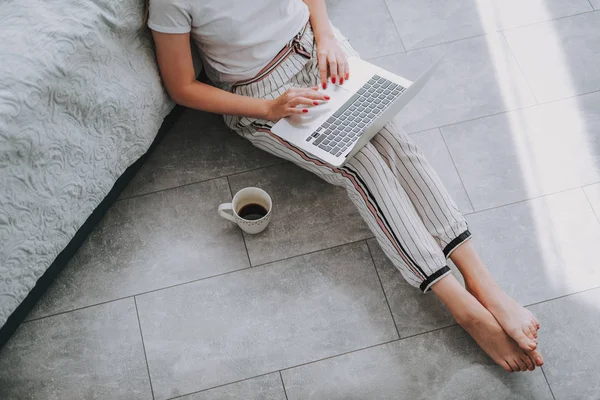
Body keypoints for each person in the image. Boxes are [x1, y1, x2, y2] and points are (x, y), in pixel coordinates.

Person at [146, 0, 543, 372]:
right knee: (361, 166)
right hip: (262, 93)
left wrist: (327, 37)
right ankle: (464, 309)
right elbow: (182, 86)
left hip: (316, 49)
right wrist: (267, 109)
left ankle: (482, 283)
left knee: (394, 140)